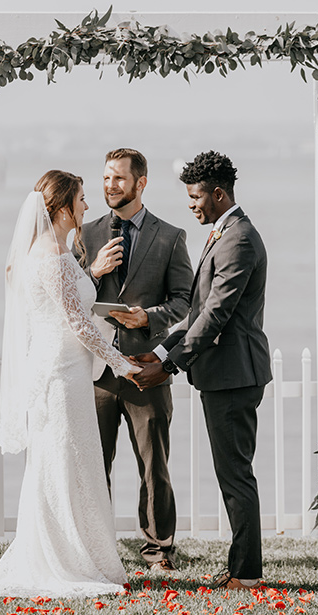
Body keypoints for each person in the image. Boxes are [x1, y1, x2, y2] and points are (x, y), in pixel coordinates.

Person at [0, 170, 141, 598]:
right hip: (61, 376)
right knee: (65, 466)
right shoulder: (51, 257)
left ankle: (81, 553)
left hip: (61, 368)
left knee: (71, 465)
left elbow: (72, 312)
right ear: (64, 207)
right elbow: (79, 325)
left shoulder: (47, 254)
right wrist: (123, 364)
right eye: (82, 199)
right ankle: (65, 560)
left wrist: (96, 291)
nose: (88, 206)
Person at [133, 151, 272, 591]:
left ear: (218, 194)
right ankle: (240, 568)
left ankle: (246, 574)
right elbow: (195, 313)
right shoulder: (223, 233)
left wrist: (170, 366)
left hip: (235, 374)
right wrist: (159, 352)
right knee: (231, 472)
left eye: (195, 197)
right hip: (222, 374)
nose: (191, 205)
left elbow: (216, 315)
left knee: (235, 475)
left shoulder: (240, 239)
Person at [76, 148, 193, 573]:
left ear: (140, 183)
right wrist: (92, 271)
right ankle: (96, 547)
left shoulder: (170, 235)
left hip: (147, 368)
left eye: (119, 179)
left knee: (153, 466)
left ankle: (159, 551)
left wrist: (149, 316)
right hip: (97, 372)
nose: (110, 186)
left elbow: (185, 302)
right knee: (94, 464)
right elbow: (66, 297)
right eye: (106, 178)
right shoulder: (84, 235)